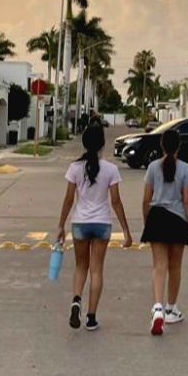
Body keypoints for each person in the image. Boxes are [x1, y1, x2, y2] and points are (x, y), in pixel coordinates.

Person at [55, 123, 132, 330]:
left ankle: (76, 300)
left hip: (80, 223)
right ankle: (91, 318)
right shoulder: (111, 169)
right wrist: (126, 231)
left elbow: (69, 199)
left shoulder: (74, 168)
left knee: (81, 266)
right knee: (96, 270)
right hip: (102, 224)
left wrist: (61, 225)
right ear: (102, 144)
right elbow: (116, 201)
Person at [140, 130, 188, 335]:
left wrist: (148, 221)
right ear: (179, 146)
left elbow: (146, 199)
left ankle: (157, 308)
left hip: (157, 217)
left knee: (159, 266)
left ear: (162, 146)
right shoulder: (185, 169)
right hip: (178, 220)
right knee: (175, 267)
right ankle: (171, 308)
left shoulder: (153, 167)